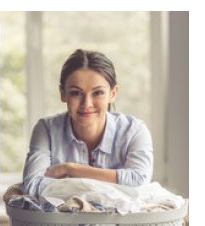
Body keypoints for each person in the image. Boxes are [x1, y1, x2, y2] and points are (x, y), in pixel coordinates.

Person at [23, 49, 153, 197]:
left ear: (113, 94)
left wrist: (71, 169)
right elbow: (33, 185)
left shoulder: (135, 130)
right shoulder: (46, 129)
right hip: (60, 221)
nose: (87, 104)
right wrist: (115, 184)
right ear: (63, 94)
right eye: (75, 93)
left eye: (97, 93)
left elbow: (140, 181)